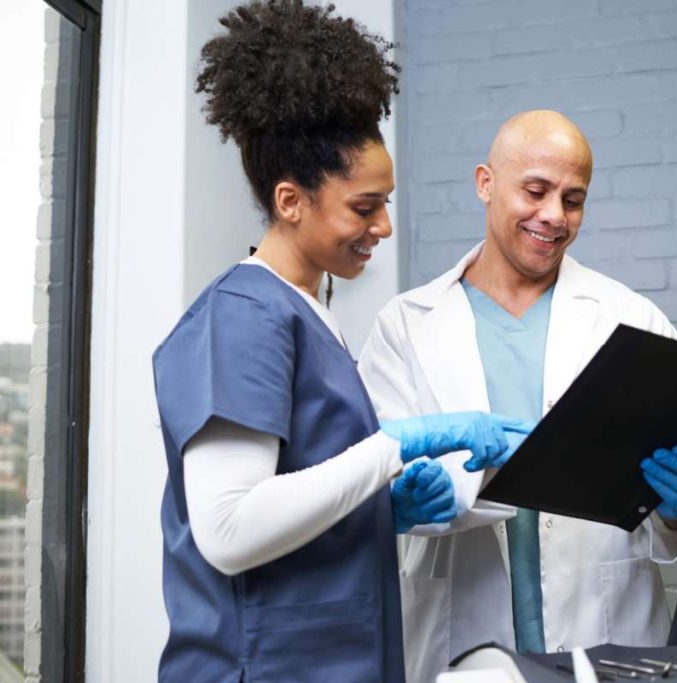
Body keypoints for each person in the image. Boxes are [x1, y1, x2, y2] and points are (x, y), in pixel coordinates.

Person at [152, 3, 530, 681]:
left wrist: (383, 513)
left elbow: (293, 507)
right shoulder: (242, 316)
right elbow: (229, 529)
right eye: (363, 206)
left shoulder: (309, 315)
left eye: (384, 203)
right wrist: (398, 445)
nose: (382, 225)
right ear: (291, 200)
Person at [358, 110, 677, 683]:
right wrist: (422, 494)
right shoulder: (405, 326)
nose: (554, 216)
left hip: (609, 638)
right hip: (460, 641)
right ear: (486, 183)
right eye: (535, 190)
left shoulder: (629, 317)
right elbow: (371, 484)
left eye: (574, 199)